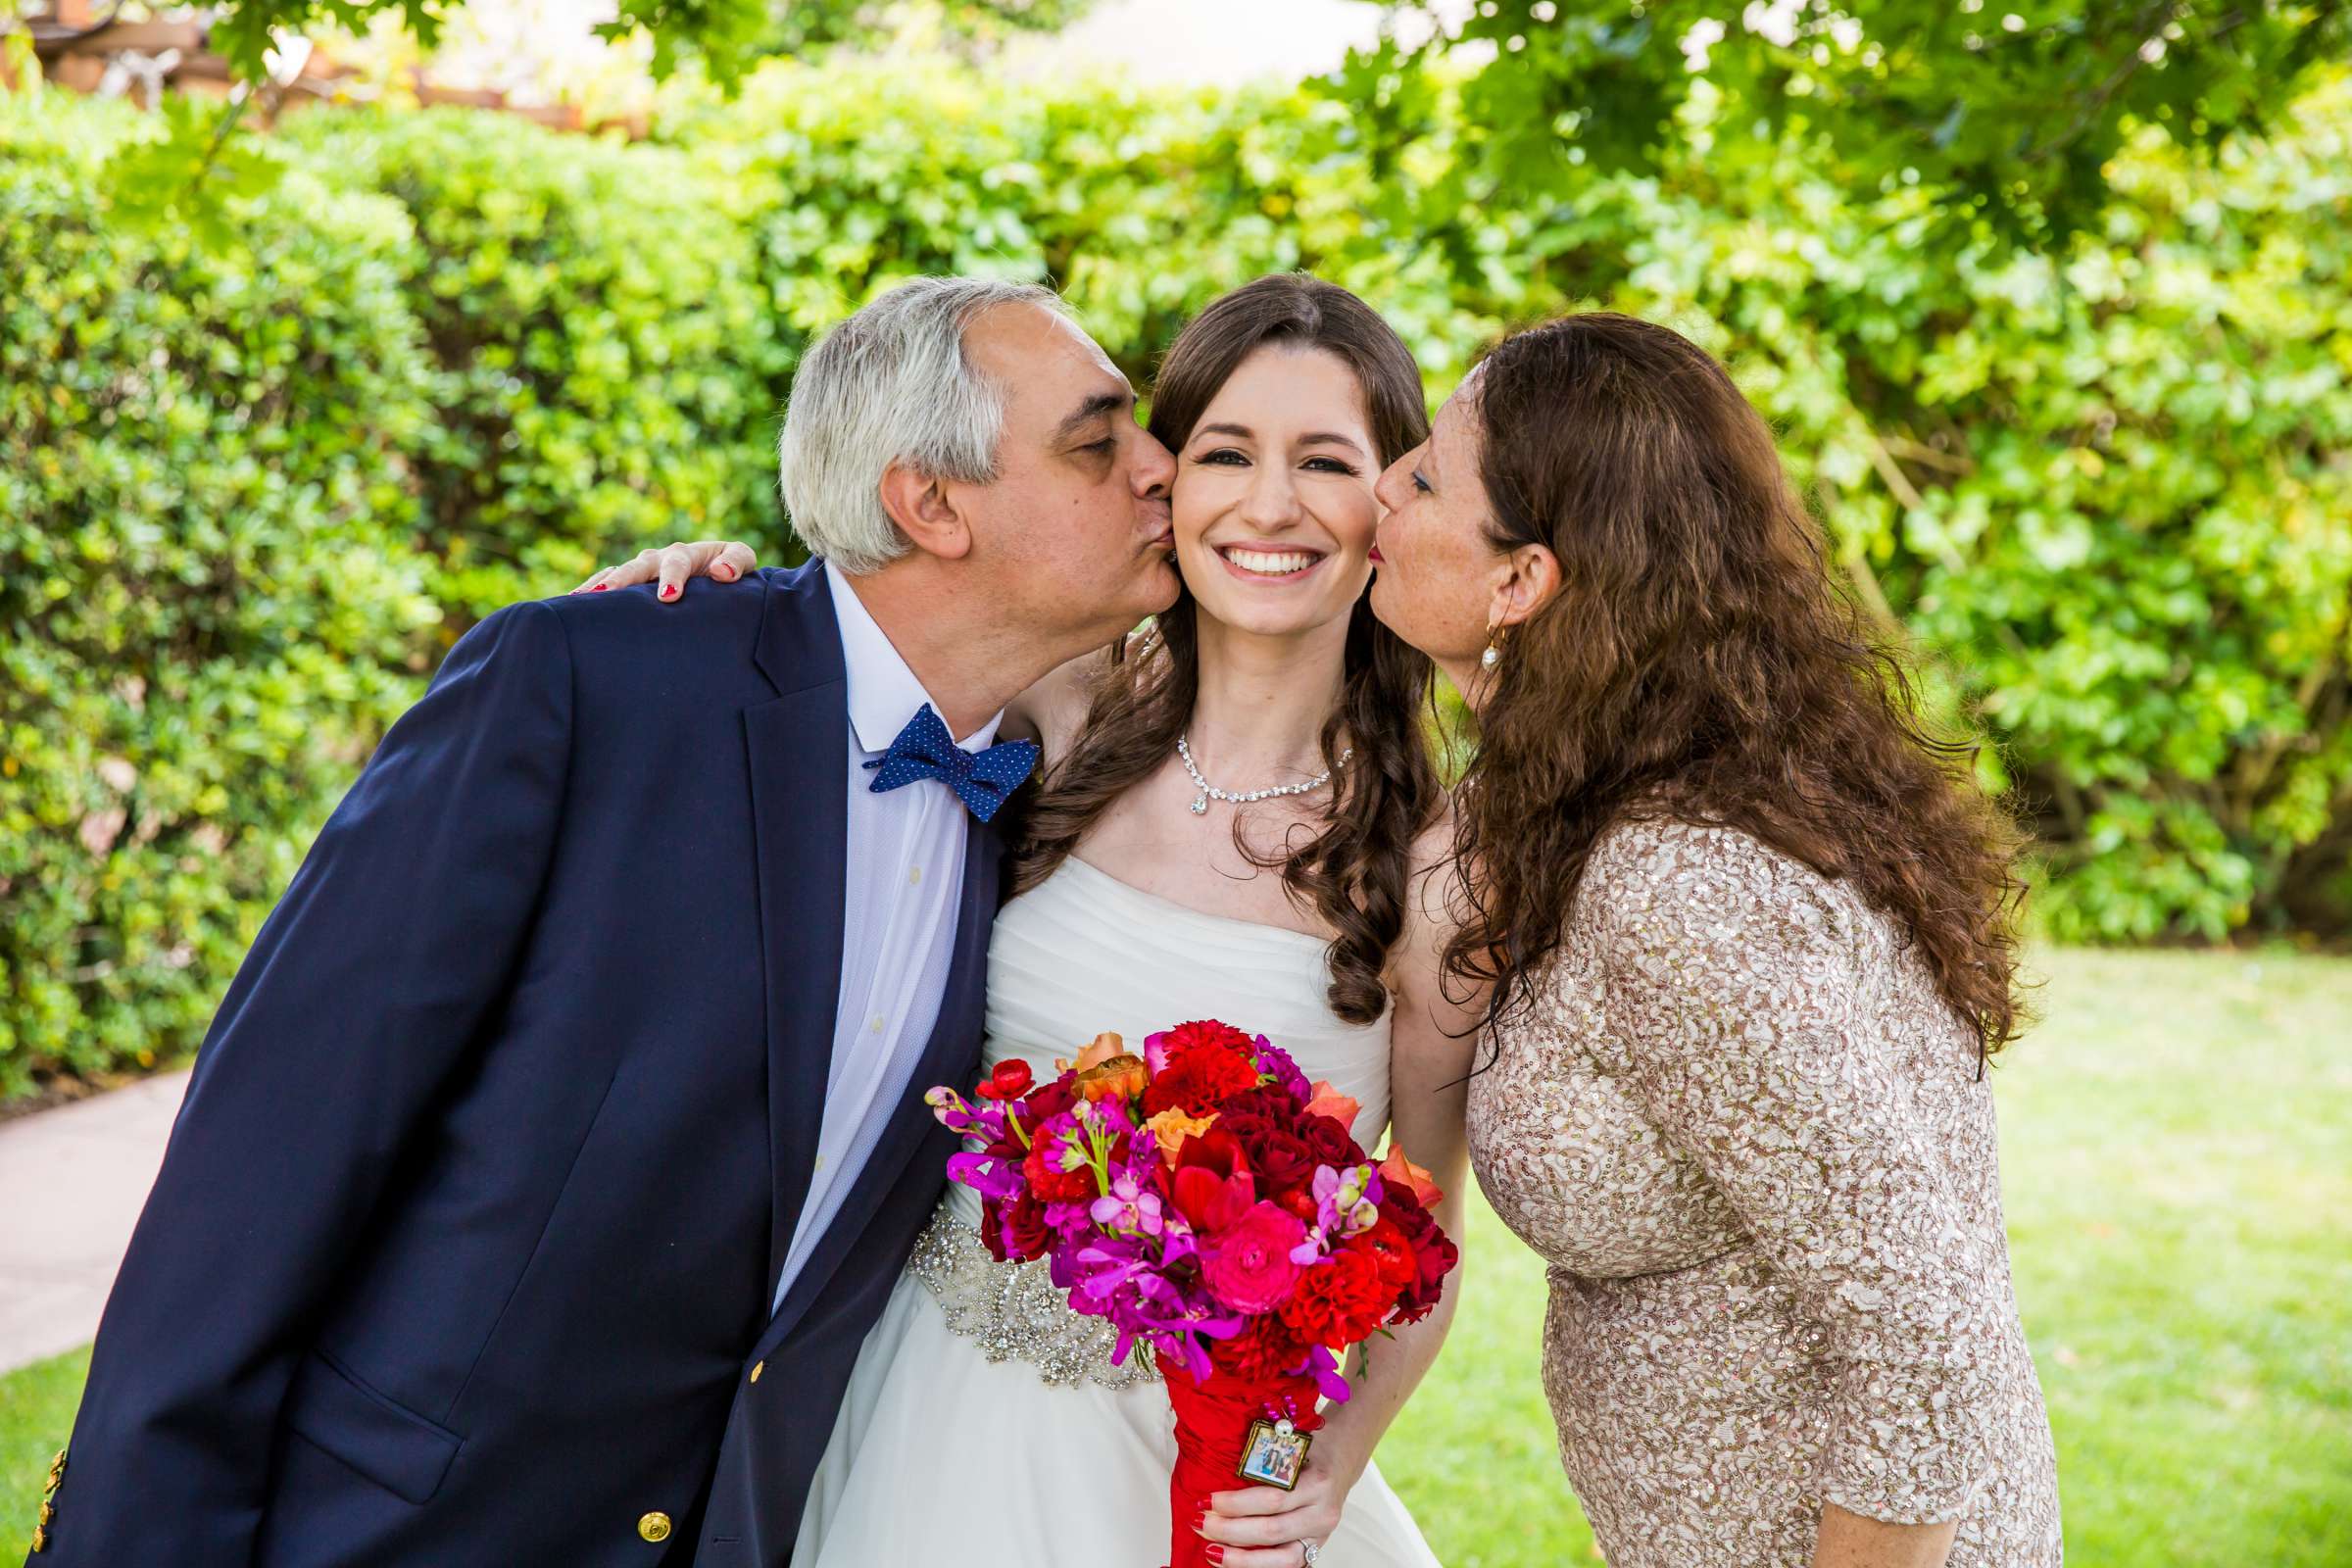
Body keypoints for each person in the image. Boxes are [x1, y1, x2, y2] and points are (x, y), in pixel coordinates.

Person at [32, 277, 1178, 1567]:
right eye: (1100, 441)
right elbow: (264, 1166)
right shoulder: (590, 686)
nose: (1162, 470)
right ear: (929, 503)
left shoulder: (1027, 801)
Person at [589, 274, 1472, 1568]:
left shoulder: (1435, 864)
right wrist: (717, 601)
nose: (1270, 504)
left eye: (1325, 462)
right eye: (1227, 452)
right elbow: (848, 662)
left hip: (1196, 1462)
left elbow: (1421, 1238)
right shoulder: (1057, 711)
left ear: (1385, 502)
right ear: (1173, 476)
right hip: (915, 1410)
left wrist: (1312, 1467)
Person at [1363, 313, 2064, 1567]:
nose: (1380, 490)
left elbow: (1923, 1336)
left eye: (1420, 475)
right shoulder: (1596, 804)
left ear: (1520, 580)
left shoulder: (1673, 883)